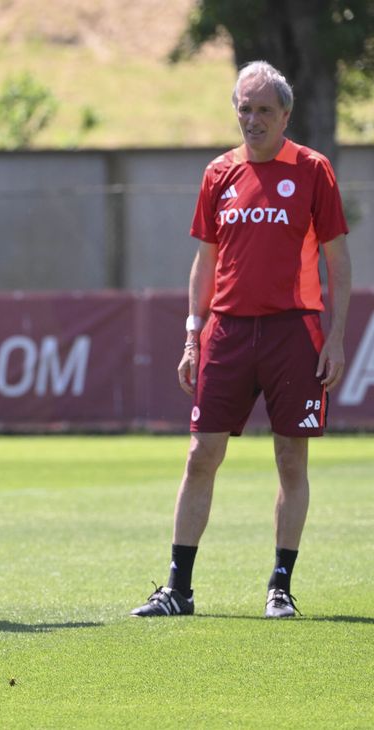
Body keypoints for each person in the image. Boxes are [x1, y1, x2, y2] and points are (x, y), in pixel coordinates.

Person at [131, 61, 351, 619]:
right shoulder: (217, 174)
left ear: (286, 115)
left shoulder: (313, 170)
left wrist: (336, 338)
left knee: (290, 460)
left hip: (294, 331)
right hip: (227, 332)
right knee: (202, 452)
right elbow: (203, 264)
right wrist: (191, 336)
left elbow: (338, 263)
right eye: (244, 109)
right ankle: (178, 589)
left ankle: (280, 586)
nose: (252, 121)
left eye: (263, 111)